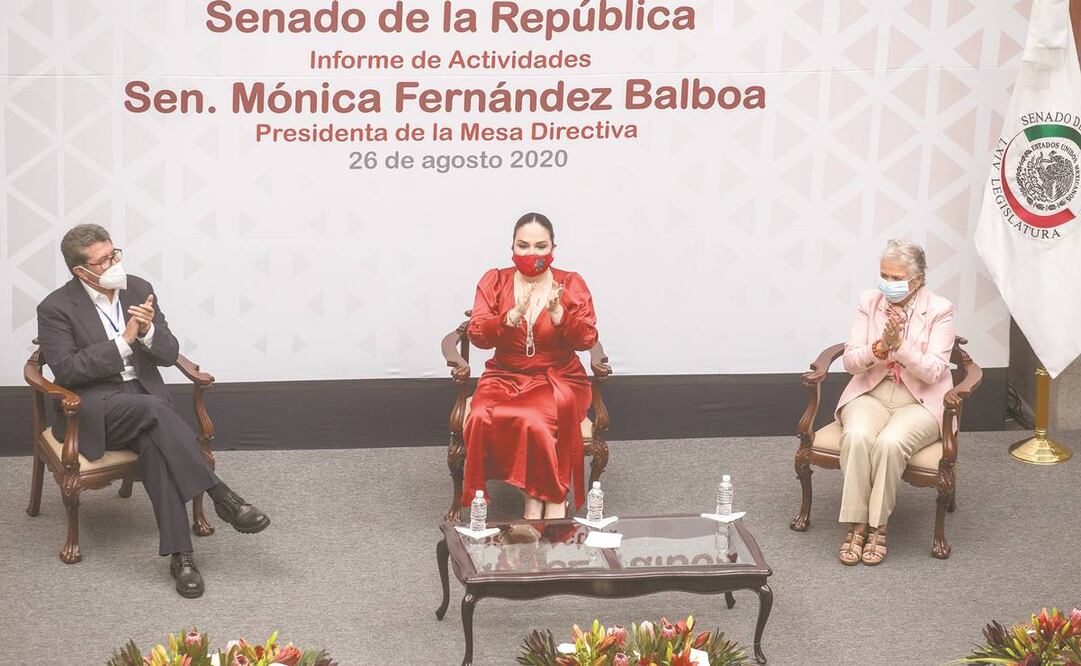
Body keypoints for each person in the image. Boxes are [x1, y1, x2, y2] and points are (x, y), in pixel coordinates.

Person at [36, 224, 270, 598]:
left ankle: (182, 556)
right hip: (93, 407)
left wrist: (147, 334)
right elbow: (68, 370)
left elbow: (167, 352)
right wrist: (125, 340)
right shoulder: (55, 307)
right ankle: (222, 496)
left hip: (144, 404)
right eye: (104, 260)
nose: (115, 263)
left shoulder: (139, 288)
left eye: (115, 253)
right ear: (82, 271)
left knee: (154, 443)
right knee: (154, 411)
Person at [459, 213, 604, 520]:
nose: (531, 254)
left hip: (558, 378)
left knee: (533, 418)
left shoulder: (570, 283)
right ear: (512, 245)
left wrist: (560, 316)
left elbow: (588, 336)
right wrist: (508, 317)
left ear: (553, 247)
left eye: (541, 246)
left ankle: (544, 499)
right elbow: (477, 333)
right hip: (503, 375)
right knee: (482, 416)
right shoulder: (495, 281)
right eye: (523, 246)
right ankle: (539, 498)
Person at [834, 239, 955, 566]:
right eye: (883, 275)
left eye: (895, 277)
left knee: (889, 443)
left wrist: (899, 347)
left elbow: (933, 371)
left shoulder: (940, 310)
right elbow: (850, 361)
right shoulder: (868, 302)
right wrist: (878, 349)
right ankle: (857, 523)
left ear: (917, 280)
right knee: (857, 437)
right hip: (871, 392)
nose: (887, 283)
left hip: (919, 400)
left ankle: (878, 525)